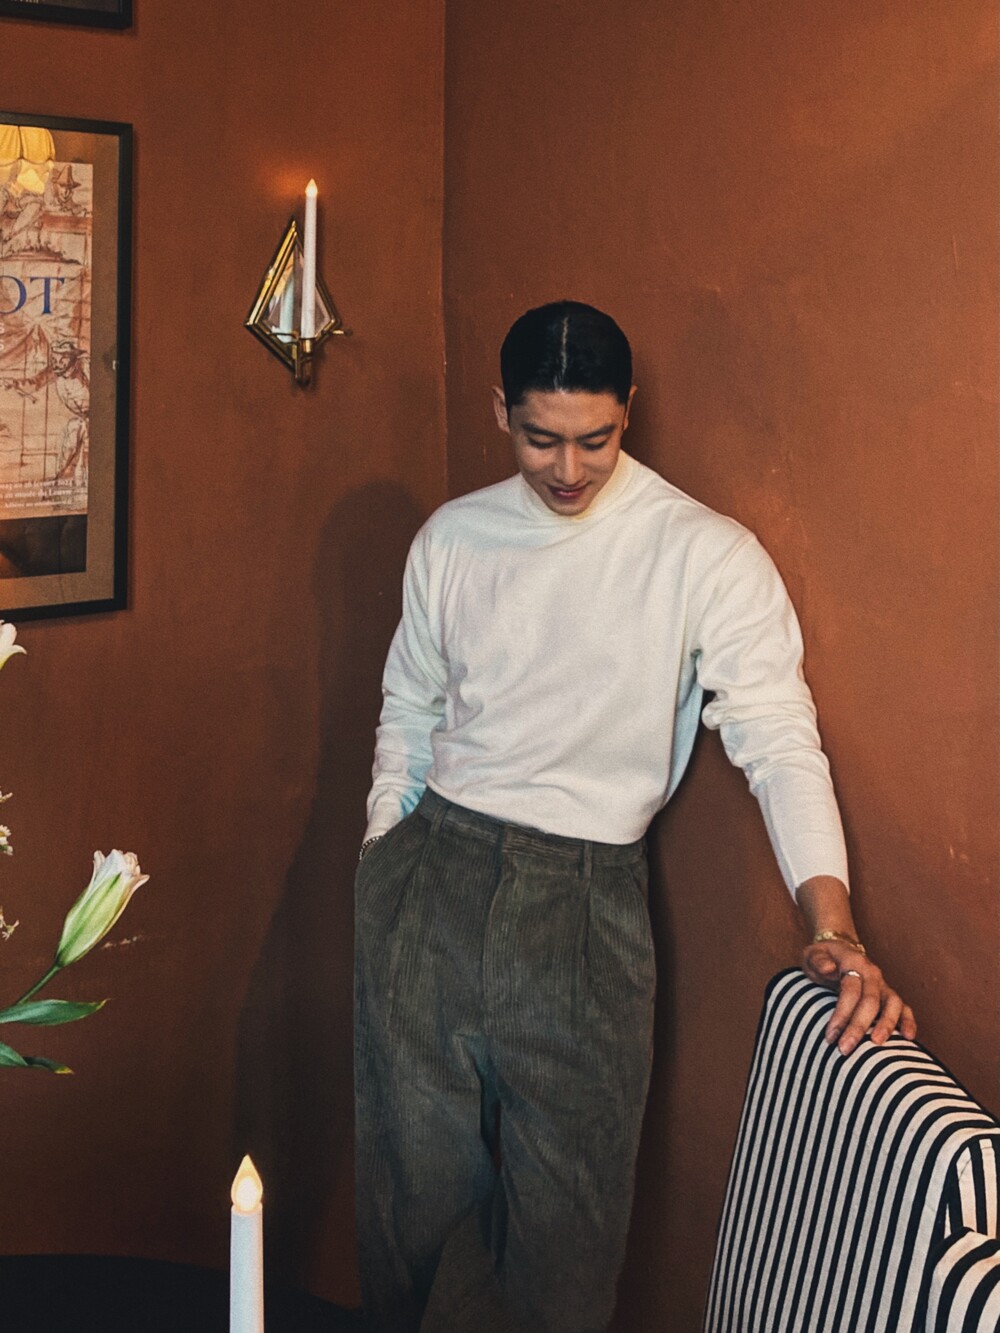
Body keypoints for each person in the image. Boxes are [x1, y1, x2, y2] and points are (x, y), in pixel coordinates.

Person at [353, 300, 916, 1333]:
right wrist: (384, 848)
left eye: (596, 438)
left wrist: (831, 924)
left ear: (629, 412)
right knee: (412, 1223)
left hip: (586, 907)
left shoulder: (705, 553)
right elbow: (410, 705)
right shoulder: (453, 537)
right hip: (430, 876)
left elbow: (778, 740)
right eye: (540, 438)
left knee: (567, 1255)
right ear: (501, 410)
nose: (568, 468)